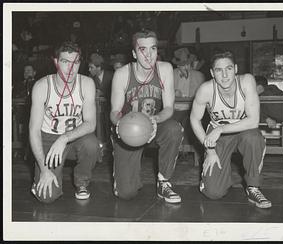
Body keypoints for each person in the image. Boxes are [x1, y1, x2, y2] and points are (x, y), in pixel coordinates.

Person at [190, 50, 272, 209]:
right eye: (219, 70)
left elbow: (253, 121)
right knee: (213, 193)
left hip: (243, 131)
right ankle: (214, 180)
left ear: (235, 69)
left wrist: (221, 128)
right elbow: (194, 119)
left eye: (228, 69)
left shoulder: (247, 81)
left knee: (254, 138)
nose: (225, 75)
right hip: (217, 137)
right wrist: (210, 150)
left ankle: (253, 187)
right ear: (212, 73)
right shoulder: (206, 89)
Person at [110, 29, 183, 203]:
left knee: (174, 129)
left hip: (154, 124)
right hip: (128, 129)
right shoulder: (122, 74)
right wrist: (121, 124)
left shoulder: (165, 69)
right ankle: (122, 178)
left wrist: (155, 120)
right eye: (143, 50)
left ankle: (164, 182)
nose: (149, 55)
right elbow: (114, 112)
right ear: (134, 53)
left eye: (153, 49)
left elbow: (168, 108)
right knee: (126, 193)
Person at [29, 41, 99, 203]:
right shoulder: (42, 86)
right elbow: (33, 131)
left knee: (91, 144)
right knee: (46, 198)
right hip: (48, 138)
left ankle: (82, 182)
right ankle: (40, 178)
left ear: (80, 63)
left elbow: (90, 123)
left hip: (74, 138)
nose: (70, 68)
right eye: (65, 62)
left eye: (75, 63)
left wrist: (65, 138)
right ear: (56, 62)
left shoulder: (87, 84)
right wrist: (44, 169)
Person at [88, 52, 114, 162]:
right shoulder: (90, 79)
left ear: (99, 67)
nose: (89, 70)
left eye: (91, 67)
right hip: (98, 110)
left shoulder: (111, 75)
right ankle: (100, 151)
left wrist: (104, 96)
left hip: (110, 109)